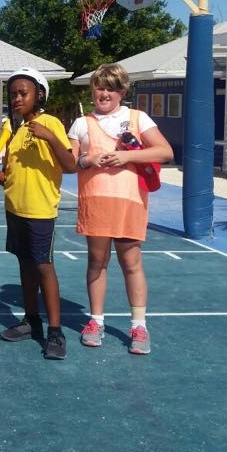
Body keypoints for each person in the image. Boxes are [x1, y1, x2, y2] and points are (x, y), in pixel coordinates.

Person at [67, 63, 173, 355]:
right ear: (93, 89)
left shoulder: (138, 118)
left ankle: (139, 325)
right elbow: (70, 162)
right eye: (100, 87)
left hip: (129, 202)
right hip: (96, 202)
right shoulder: (80, 123)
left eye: (111, 88)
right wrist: (89, 160)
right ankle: (95, 320)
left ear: (122, 91)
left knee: (131, 263)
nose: (104, 93)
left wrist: (126, 158)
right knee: (97, 263)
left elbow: (165, 151)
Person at [0, 68, 76, 360]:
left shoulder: (50, 122)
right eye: (12, 94)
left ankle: (55, 332)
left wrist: (49, 136)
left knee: (43, 267)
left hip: (40, 211)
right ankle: (31, 321)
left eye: (22, 93)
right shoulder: (13, 131)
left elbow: (70, 165)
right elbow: (9, 178)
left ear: (39, 94)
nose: (16, 98)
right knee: (25, 265)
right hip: (14, 209)